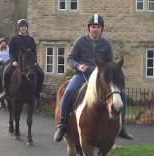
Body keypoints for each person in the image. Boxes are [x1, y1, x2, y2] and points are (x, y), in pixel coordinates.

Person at [53, 14, 133, 142]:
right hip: (82, 75)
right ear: (89, 28)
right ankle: (62, 124)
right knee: (68, 92)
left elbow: (110, 63)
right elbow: (70, 59)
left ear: (102, 29)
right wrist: (78, 66)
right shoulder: (80, 41)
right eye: (93, 27)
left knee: (122, 94)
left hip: (100, 78)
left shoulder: (106, 44)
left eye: (98, 27)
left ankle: (122, 126)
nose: (96, 29)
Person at [0, 19, 45, 100]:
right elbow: (11, 52)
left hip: (29, 62)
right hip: (16, 62)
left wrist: (34, 61)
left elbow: (34, 51)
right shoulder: (14, 39)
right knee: (6, 72)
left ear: (27, 28)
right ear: (19, 28)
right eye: (22, 27)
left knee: (41, 73)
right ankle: (6, 92)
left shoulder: (31, 39)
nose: (24, 28)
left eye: (25, 27)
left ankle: (39, 92)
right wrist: (13, 61)